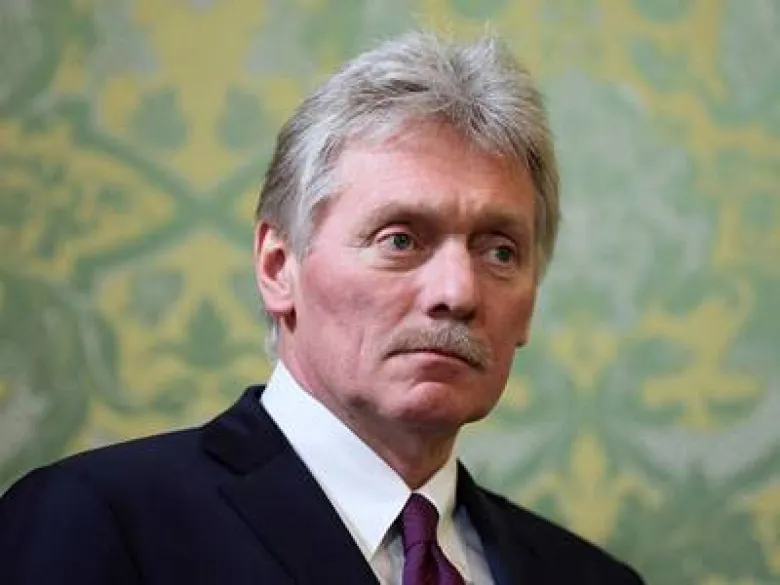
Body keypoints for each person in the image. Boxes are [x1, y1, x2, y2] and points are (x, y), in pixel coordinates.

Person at [0, 31, 644, 584]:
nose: (459, 292)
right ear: (279, 268)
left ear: (529, 307)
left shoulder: (591, 578)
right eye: (401, 240)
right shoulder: (99, 521)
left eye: (500, 252)